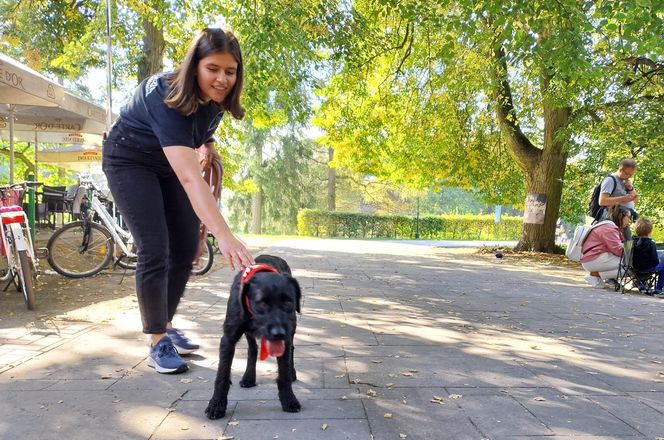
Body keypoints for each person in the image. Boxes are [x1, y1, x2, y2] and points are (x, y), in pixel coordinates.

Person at [102, 28, 255, 374]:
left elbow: (201, 132)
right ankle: (157, 340)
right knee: (155, 247)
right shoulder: (165, 95)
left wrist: (209, 146)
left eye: (230, 71)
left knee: (186, 247)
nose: (222, 79)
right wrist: (225, 234)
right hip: (129, 159)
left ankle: (166, 324)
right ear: (194, 67)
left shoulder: (215, 99)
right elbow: (190, 178)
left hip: (169, 163)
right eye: (212, 69)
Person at [580, 205, 630, 288]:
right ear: (621, 216)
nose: (629, 221)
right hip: (594, 259)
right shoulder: (609, 229)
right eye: (628, 217)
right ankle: (594, 275)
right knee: (631, 266)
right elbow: (618, 250)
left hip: (591, 258)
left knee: (628, 264)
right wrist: (631, 247)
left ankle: (595, 276)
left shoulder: (606, 225)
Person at [597, 159, 639, 237]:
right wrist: (622, 199)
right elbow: (602, 201)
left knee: (627, 245)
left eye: (631, 175)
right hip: (612, 220)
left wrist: (630, 188)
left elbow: (636, 200)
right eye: (628, 174)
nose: (629, 176)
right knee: (618, 244)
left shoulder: (627, 181)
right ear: (621, 169)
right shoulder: (610, 180)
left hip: (624, 220)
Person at [632, 218, 664, 294]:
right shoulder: (651, 244)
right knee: (663, 267)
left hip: (634, 269)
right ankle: (658, 288)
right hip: (648, 269)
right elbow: (654, 260)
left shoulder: (633, 242)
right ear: (650, 231)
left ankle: (640, 283)